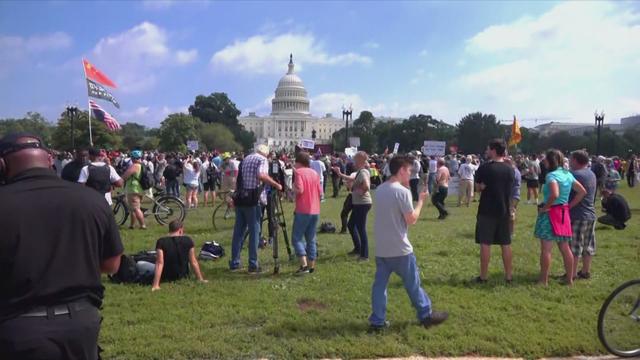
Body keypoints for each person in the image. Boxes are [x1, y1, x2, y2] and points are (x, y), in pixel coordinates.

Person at [0, 132, 123, 359]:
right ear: (49, 160)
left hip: (17, 327)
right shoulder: (92, 200)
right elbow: (112, 263)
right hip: (80, 323)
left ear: (2, 164)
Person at [368, 155, 448, 331]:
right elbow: (411, 219)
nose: (410, 174)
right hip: (400, 249)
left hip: (382, 247)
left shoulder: (380, 189)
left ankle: (377, 321)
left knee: (379, 286)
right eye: (409, 171)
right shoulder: (402, 191)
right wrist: (420, 201)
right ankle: (425, 315)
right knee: (413, 284)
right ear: (402, 170)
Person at [534, 149, 586, 286]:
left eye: (545, 158)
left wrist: (545, 208)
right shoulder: (567, 174)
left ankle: (543, 280)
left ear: (551, 161)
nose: (543, 161)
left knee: (546, 249)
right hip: (563, 214)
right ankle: (569, 279)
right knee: (565, 248)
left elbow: (554, 194)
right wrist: (568, 205)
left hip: (550, 214)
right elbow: (582, 192)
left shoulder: (551, 176)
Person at [229, 145, 282, 273]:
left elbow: (239, 180)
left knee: (238, 231)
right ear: (266, 154)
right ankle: (253, 264)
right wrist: (276, 184)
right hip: (254, 199)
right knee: (254, 231)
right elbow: (261, 175)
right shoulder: (262, 160)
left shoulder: (246, 159)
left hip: (241, 197)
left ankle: (235, 262)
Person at [474, 139, 515, 283]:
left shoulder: (485, 168)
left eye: (488, 149)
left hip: (487, 209)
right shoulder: (510, 169)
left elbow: (478, 188)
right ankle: (509, 276)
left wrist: (483, 187)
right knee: (506, 243)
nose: (486, 151)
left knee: (485, 243)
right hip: (504, 210)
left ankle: (484, 276)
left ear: (493, 150)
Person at [333, 151, 372, 260]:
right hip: (359, 204)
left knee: (361, 228)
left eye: (355, 159)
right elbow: (352, 179)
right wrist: (340, 174)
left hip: (362, 204)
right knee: (351, 225)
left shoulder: (363, 172)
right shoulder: (360, 171)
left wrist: (359, 191)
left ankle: (364, 255)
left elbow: (367, 186)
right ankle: (358, 249)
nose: (353, 161)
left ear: (360, 160)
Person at [150, 220, 207, 291]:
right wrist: (200, 279)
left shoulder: (161, 242)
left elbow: (159, 263)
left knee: (142, 264)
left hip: (166, 276)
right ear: (180, 230)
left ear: (170, 230)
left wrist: (156, 284)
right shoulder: (188, 240)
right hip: (183, 275)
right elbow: (193, 261)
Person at [291, 152, 322, 275]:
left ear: (298, 162)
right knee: (311, 238)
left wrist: (292, 188)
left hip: (303, 209)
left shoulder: (298, 172)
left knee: (296, 238)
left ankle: (303, 265)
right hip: (315, 209)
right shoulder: (314, 173)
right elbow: (320, 192)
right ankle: (311, 265)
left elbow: (300, 189)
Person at [568, 150, 597, 280]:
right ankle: (585, 271)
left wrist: (568, 206)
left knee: (575, 246)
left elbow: (579, 193)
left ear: (575, 160)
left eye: (570, 159)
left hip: (578, 214)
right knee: (588, 245)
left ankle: (572, 273)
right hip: (590, 214)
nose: (569, 161)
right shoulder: (591, 173)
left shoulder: (575, 175)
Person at [121, 150, 146, 230]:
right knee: (132, 208)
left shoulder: (135, 166)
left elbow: (125, 176)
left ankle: (142, 225)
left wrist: (119, 180)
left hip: (133, 189)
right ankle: (132, 225)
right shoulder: (141, 165)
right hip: (139, 189)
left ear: (133, 158)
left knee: (136, 208)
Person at [504, 157, 521, 238]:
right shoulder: (515, 170)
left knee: (511, 214)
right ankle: (507, 231)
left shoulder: (513, 171)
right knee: (509, 213)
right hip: (514, 195)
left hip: (512, 195)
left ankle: (511, 233)